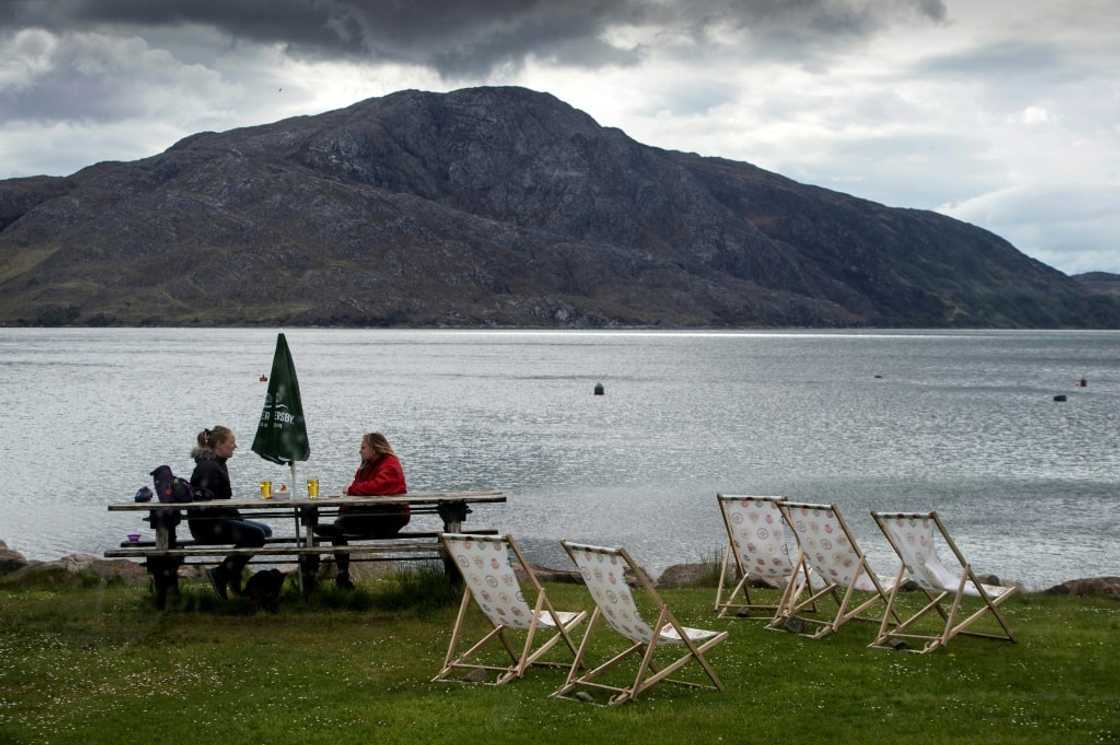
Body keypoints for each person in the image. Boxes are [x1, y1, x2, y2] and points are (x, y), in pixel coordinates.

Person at [314, 432, 408, 589]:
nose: (360, 451)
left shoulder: (390, 464)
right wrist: (345, 505)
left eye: (363, 447)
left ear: (374, 448)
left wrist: (351, 490)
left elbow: (377, 487)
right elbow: (359, 487)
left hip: (391, 517)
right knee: (339, 528)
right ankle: (343, 574)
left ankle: (341, 569)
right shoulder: (368, 465)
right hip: (375, 515)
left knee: (339, 528)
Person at [189, 426, 272, 599]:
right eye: (231, 442)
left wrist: (237, 519)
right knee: (256, 535)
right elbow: (209, 504)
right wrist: (236, 519)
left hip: (217, 521)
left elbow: (222, 502)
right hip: (207, 526)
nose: (235, 446)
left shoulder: (218, 464)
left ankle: (232, 574)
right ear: (219, 444)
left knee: (265, 531)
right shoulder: (208, 468)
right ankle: (221, 574)